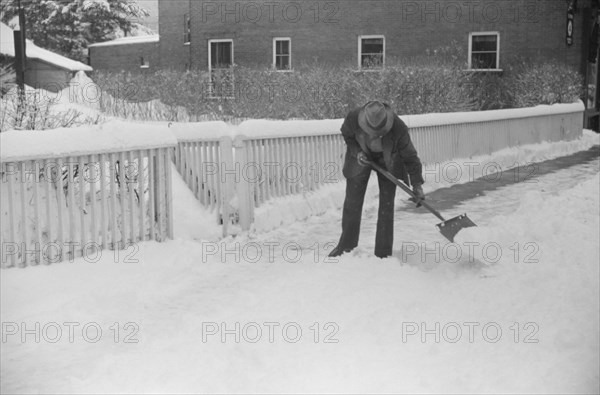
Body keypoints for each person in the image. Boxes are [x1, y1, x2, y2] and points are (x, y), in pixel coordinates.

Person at [329, 100, 425, 258]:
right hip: (360, 157)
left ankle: (383, 253)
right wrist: (357, 151)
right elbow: (347, 135)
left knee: (386, 206)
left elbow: (410, 157)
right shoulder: (353, 118)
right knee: (352, 203)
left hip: (388, 161)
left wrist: (417, 185)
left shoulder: (398, 127)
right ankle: (346, 247)